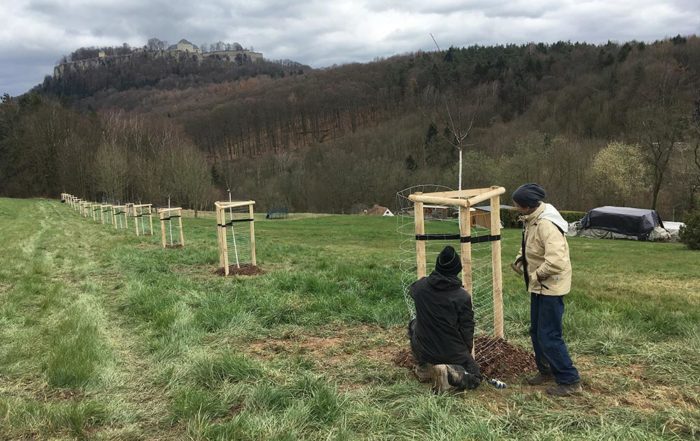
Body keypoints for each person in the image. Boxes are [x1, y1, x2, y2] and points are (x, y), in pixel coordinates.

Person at [511, 183, 582, 396]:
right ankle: (546, 370)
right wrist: (520, 260)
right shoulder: (532, 221)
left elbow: (556, 261)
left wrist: (535, 275)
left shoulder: (546, 225)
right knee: (536, 331)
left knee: (549, 334)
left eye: (517, 205)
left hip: (550, 286)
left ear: (527, 206)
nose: (516, 209)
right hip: (539, 287)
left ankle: (570, 380)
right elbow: (531, 246)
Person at [408, 245, 482, 392]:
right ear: (457, 269)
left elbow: (412, 291)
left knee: (413, 324)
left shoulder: (420, 286)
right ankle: (448, 372)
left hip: (424, 348)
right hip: (451, 351)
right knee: (475, 376)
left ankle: (425, 367)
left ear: (437, 265)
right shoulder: (462, 297)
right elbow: (467, 330)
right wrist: (465, 354)